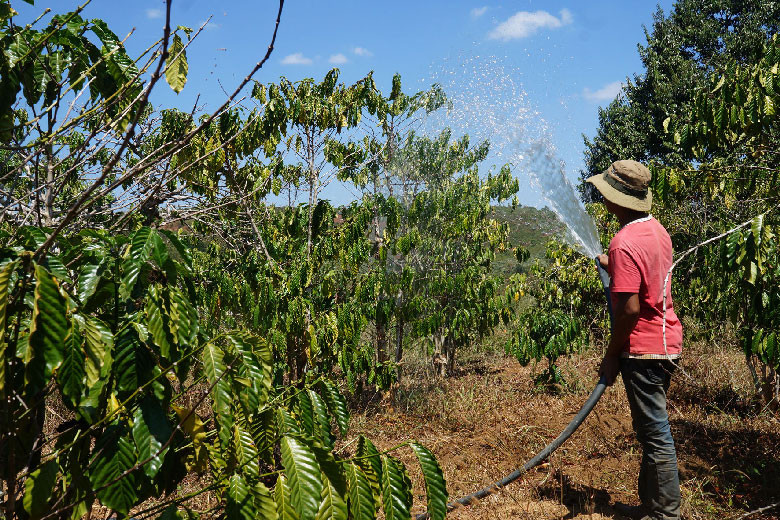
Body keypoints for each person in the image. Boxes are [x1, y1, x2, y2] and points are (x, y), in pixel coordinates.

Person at [586, 160, 683, 520]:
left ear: (619, 199)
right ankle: (651, 506)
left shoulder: (623, 242)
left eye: (605, 192)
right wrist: (613, 266)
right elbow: (649, 276)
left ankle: (665, 515)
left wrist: (611, 354)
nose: (601, 197)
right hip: (666, 341)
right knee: (649, 429)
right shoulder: (657, 231)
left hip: (642, 349)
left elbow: (628, 310)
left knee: (656, 433)